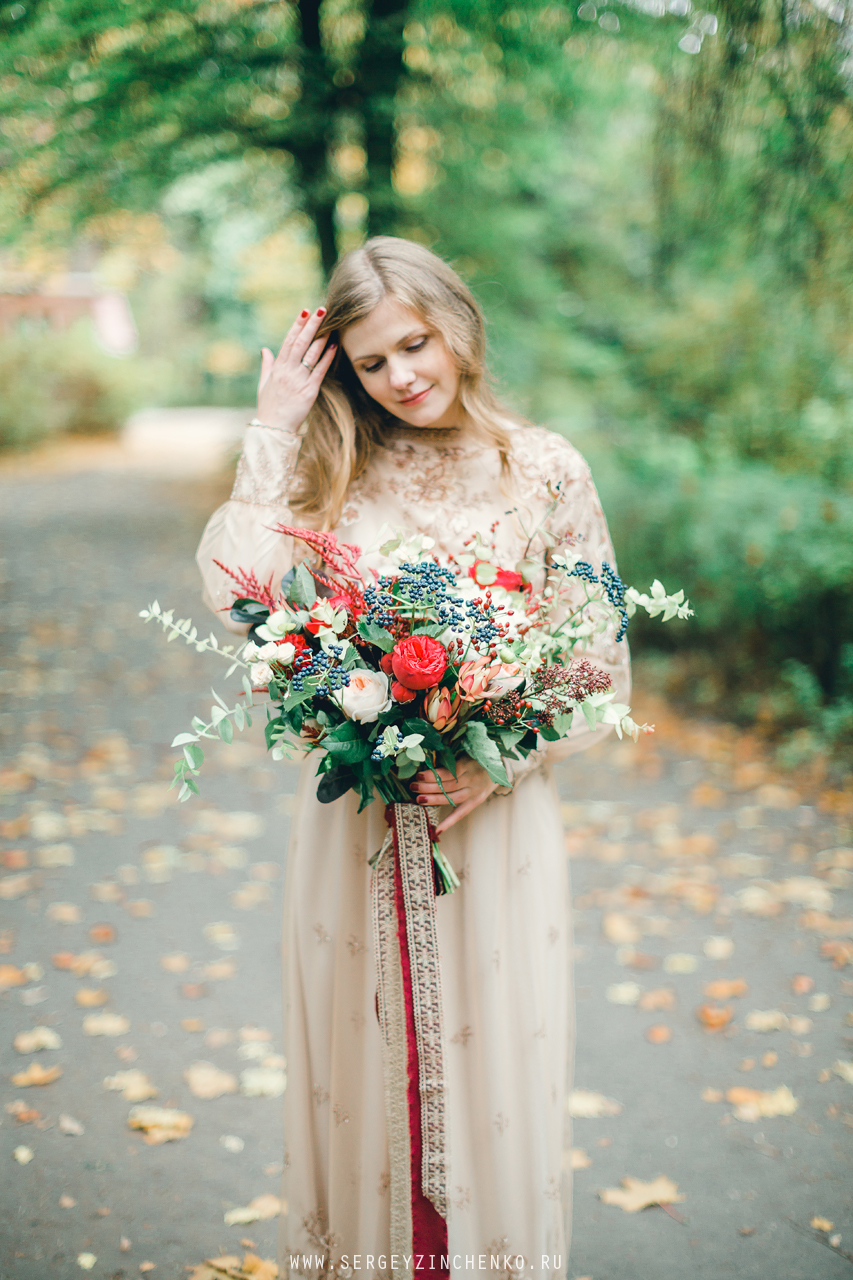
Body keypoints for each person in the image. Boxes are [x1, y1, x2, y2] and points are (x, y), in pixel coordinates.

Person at [196, 236, 630, 1280]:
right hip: (355, 831)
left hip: (494, 823)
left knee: (496, 1071)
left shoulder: (546, 469)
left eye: (414, 344)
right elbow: (234, 588)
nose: (402, 377)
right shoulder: (332, 470)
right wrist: (273, 430)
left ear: (456, 322)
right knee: (364, 1062)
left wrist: (498, 761)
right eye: (374, 363)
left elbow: (600, 662)